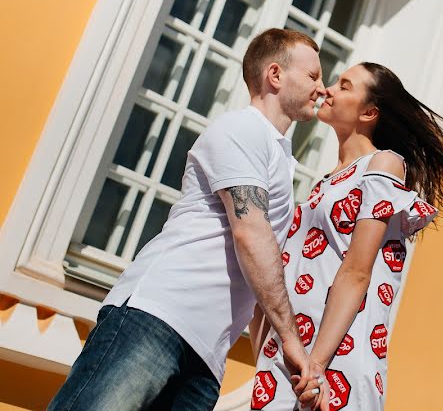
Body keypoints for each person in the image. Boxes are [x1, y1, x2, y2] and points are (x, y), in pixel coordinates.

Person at [49, 28, 327, 411]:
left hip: (207, 355)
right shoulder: (243, 129)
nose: (322, 87)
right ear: (275, 75)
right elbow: (251, 234)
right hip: (158, 318)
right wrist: (293, 340)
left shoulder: (279, 156)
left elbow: (261, 275)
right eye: (313, 76)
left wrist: (282, 357)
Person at [249, 62, 443, 411]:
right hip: (290, 360)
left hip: (334, 360)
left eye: (344, 86)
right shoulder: (324, 184)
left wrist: (317, 365)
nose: (328, 89)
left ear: (370, 111)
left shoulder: (384, 166)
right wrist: (268, 351)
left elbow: (357, 271)